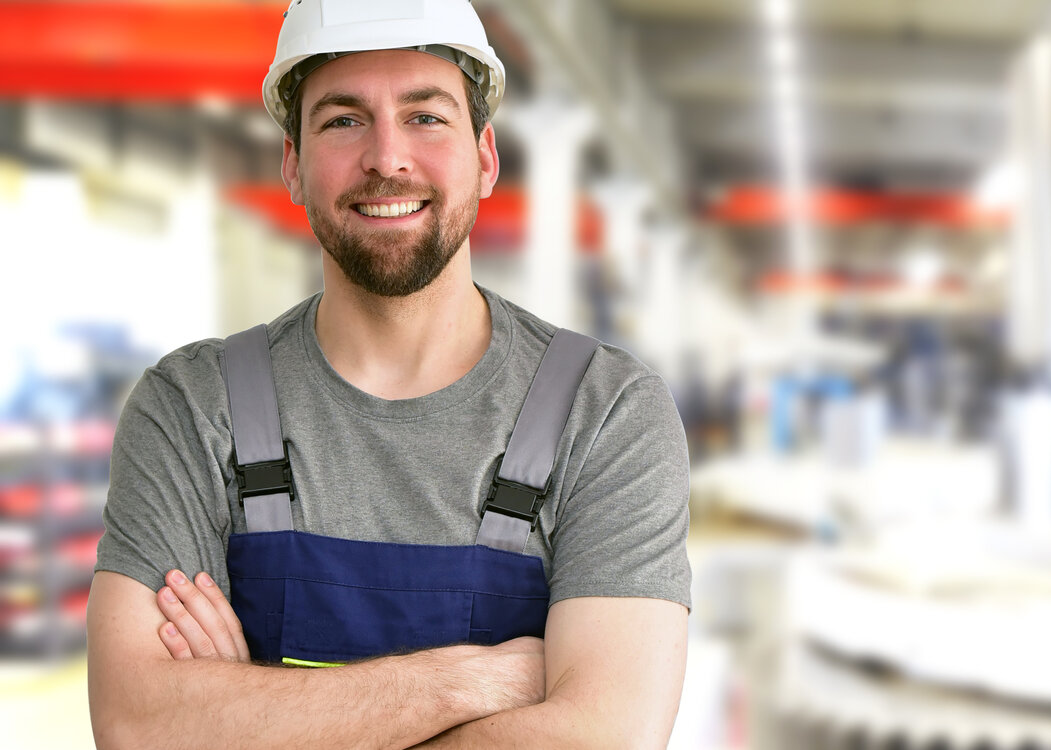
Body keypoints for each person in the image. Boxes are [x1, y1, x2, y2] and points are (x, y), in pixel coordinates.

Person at [85, 1, 691, 748]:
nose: (386, 158)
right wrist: (471, 682)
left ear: (487, 157)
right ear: (292, 166)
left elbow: (604, 738)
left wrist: (248, 713)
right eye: (342, 120)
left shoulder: (604, 414)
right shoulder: (190, 408)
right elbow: (139, 726)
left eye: (426, 117)